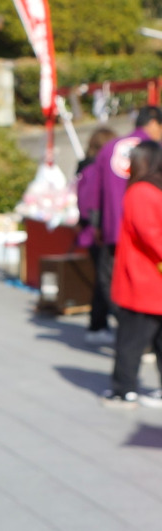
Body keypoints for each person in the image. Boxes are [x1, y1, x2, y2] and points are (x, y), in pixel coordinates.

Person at [84, 106, 162, 332]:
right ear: (153, 123)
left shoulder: (109, 147)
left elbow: (94, 191)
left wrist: (97, 224)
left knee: (111, 280)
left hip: (113, 227)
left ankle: (127, 329)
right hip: (149, 233)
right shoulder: (155, 149)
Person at [102, 140, 162, 408]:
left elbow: (151, 235)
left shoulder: (141, 191)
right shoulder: (156, 190)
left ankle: (124, 391)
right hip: (154, 281)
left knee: (130, 341)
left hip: (143, 281)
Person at [77, 126, 118, 343]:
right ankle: (98, 325)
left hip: (93, 230)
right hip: (100, 232)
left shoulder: (86, 167)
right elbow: (90, 205)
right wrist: (98, 225)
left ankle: (98, 324)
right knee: (105, 282)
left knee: (102, 281)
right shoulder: (95, 169)